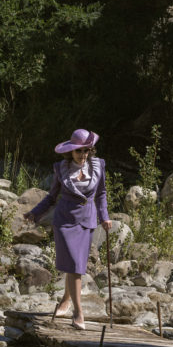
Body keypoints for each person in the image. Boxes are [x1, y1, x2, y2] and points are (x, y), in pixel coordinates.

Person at [23, 129, 112, 330]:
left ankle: (65, 299)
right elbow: (51, 197)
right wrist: (34, 213)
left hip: (86, 221)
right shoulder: (61, 169)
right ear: (71, 152)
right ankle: (78, 313)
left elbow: (101, 194)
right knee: (74, 266)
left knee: (76, 266)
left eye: (86, 151)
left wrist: (105, 217)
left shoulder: (98, 166)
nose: (83, 155)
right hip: (64, 221)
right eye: (79, 152)